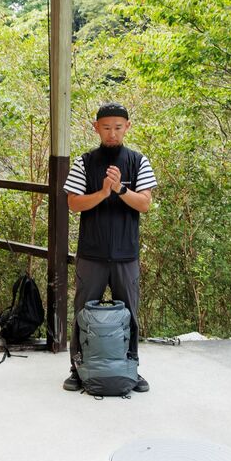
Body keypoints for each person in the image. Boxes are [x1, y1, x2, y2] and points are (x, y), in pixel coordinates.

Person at [64, 102, 157, 393]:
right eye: (106, 127)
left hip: (126, 254)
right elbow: (73, 204)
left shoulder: (138, 160)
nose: (112, 133)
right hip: (91, 253)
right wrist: (103, 192)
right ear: (96, 128)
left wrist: (119, 190)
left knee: (130, 312)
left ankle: (131, 367)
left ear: (127, 127)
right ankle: (77, 368)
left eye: (118, 127)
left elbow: (144, 204)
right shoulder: (85, 161)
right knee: (82, 312)